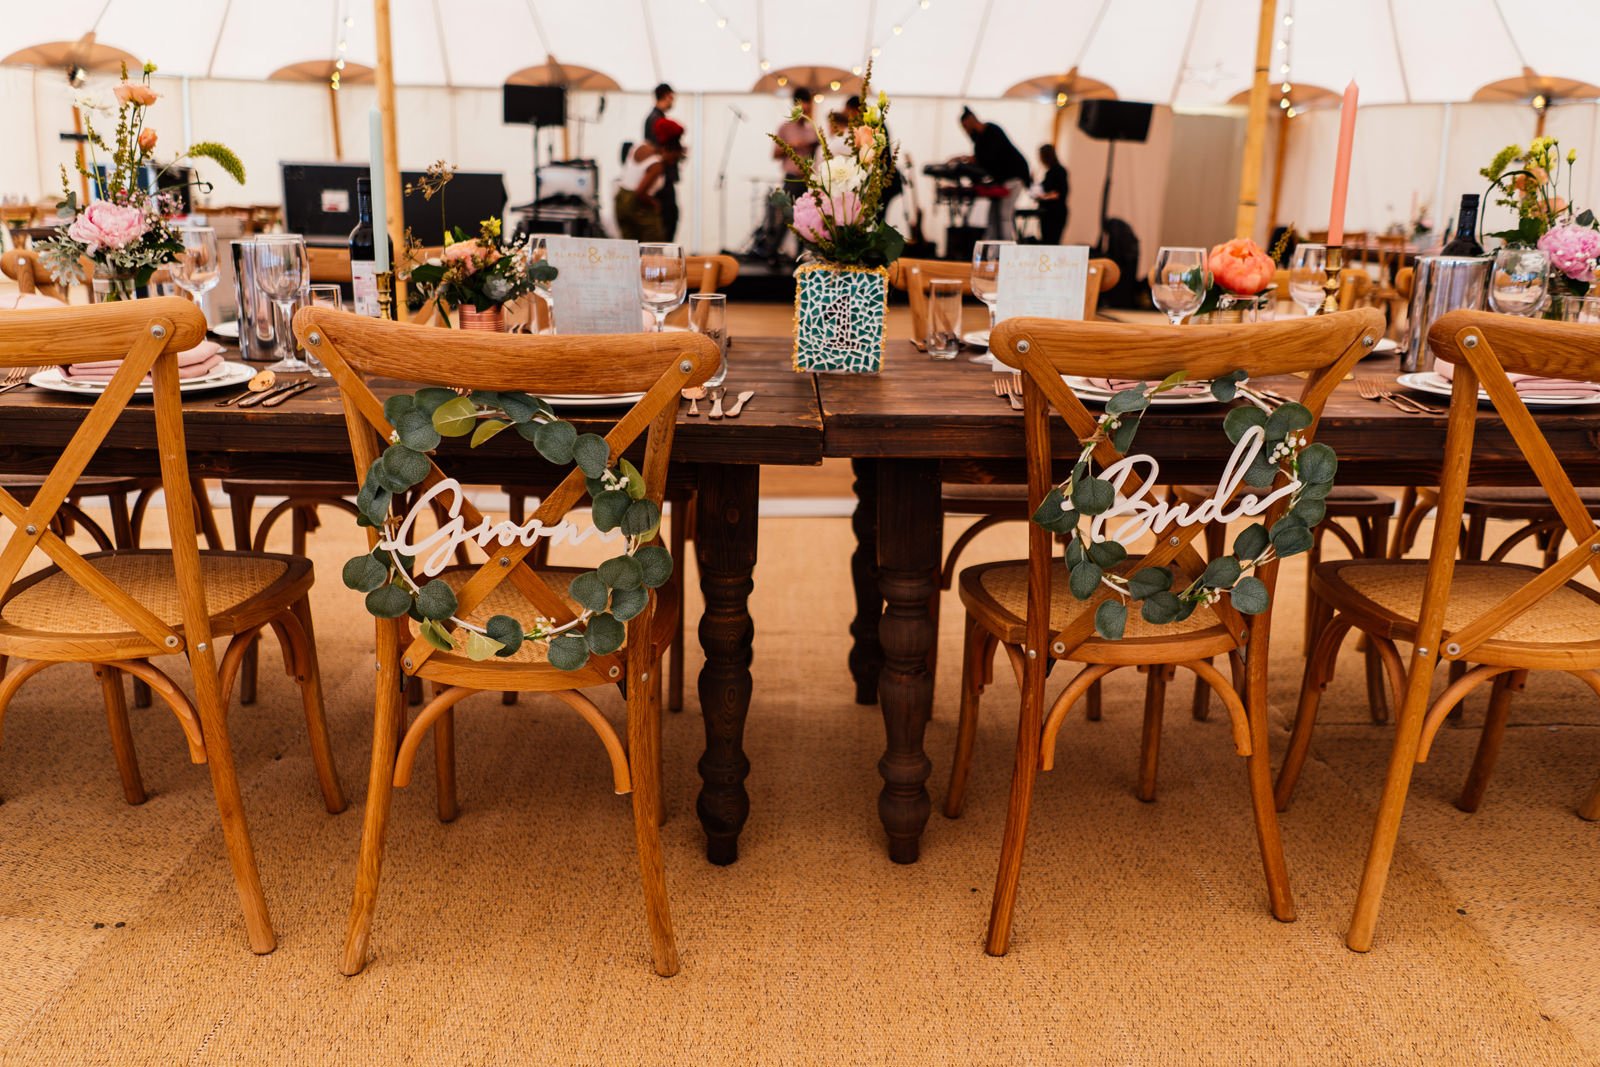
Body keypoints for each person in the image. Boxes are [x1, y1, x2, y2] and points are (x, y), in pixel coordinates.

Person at [959, 106, 1031, 241]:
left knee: (1004, 215)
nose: (966, 131)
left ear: (971, 121)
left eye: (965, 126)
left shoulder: (992, 131)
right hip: (1003, 181)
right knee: (993, 216)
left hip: (1014, 178)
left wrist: (967, 159)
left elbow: (988, 158)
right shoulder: (980, 140)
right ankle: (991, 250)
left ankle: (1006, 249)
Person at [615, 119, 684, 242]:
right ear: (671, 151)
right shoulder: (656, 165)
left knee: (630, 247)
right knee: (654, 246)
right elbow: (640, 192)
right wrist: (655, 204)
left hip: (620, 199)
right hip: (636, 205)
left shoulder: (641, 146)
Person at [642, 83, 679, 240]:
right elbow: (656, 149)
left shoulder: (656, 118)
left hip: (661, 176)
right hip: (660, 177)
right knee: (668, 217)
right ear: (667, 96)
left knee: (670, 217)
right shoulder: (656, 120)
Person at [774, 87, 819, 203]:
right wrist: (791, 146)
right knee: (788, 216)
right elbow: (775, 154)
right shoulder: (785, 128)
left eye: (807, 104)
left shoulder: (813, 128)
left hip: (809, 181)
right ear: (795, 105)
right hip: (792, 180)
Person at [1035, 143, 1069, 244]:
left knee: (1051, 242)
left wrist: (1043, 197)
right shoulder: (1049, 172)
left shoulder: (1059, 171)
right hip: (1048, 213)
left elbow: (1059, 193)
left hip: (1055, 214)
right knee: (1047, 241)